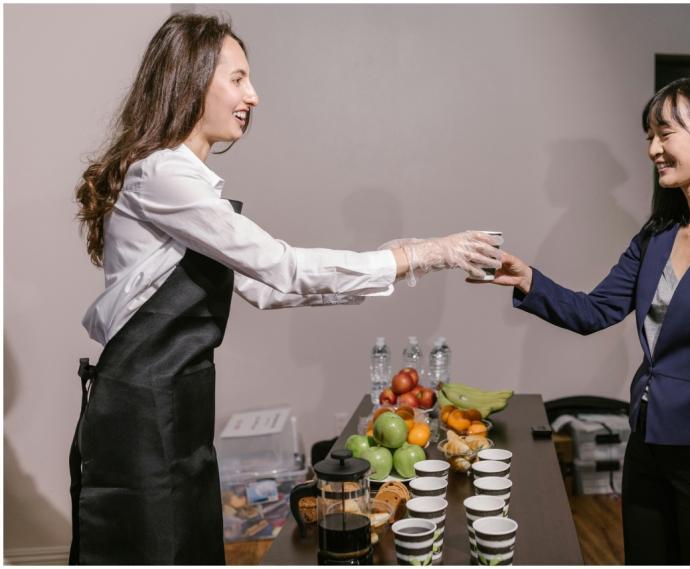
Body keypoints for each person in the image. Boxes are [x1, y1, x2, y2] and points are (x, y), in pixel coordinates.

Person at [70, 13, 501, 565]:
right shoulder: (161, 176)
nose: (254, 95)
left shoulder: (188, 188)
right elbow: (282, 267)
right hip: (140, 413)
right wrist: (418, 256)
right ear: (190, 81)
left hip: (178, 403)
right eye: (238, 78)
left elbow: (269, 288)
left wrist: (401, 263)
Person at [476, 76, 690, 564]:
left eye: (666, 133)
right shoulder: (657, 236)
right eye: (649, 136)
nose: (653, 149)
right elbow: (594, 310)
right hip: (648, 447)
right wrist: (528, 279)